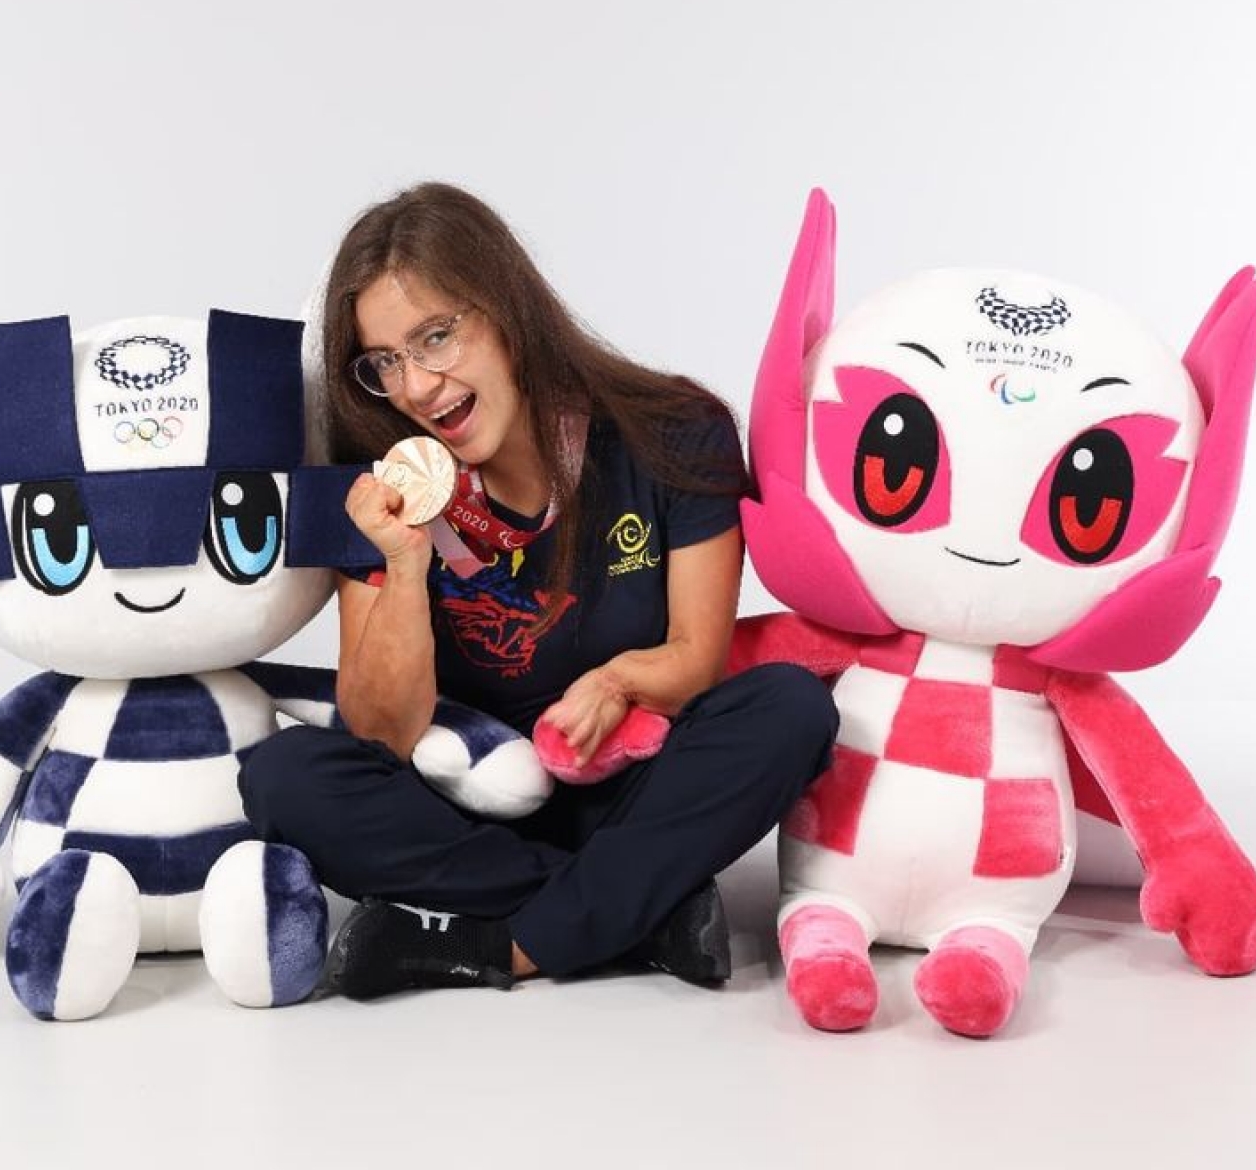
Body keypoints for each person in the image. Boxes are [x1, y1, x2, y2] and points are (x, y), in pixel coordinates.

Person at [238, 182, 837, 998]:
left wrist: (618, 681)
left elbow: (697, 658)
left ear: (507, 310)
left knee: (790, 708)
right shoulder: (383, 487)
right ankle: (638, 908)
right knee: (283, 777)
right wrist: (406, 562)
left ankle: (504, 944)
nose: (416, 387)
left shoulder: (672, 430)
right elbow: (382, 731)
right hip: (471, 805)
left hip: (626, 783)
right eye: (386, 362)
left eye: (436, 337)